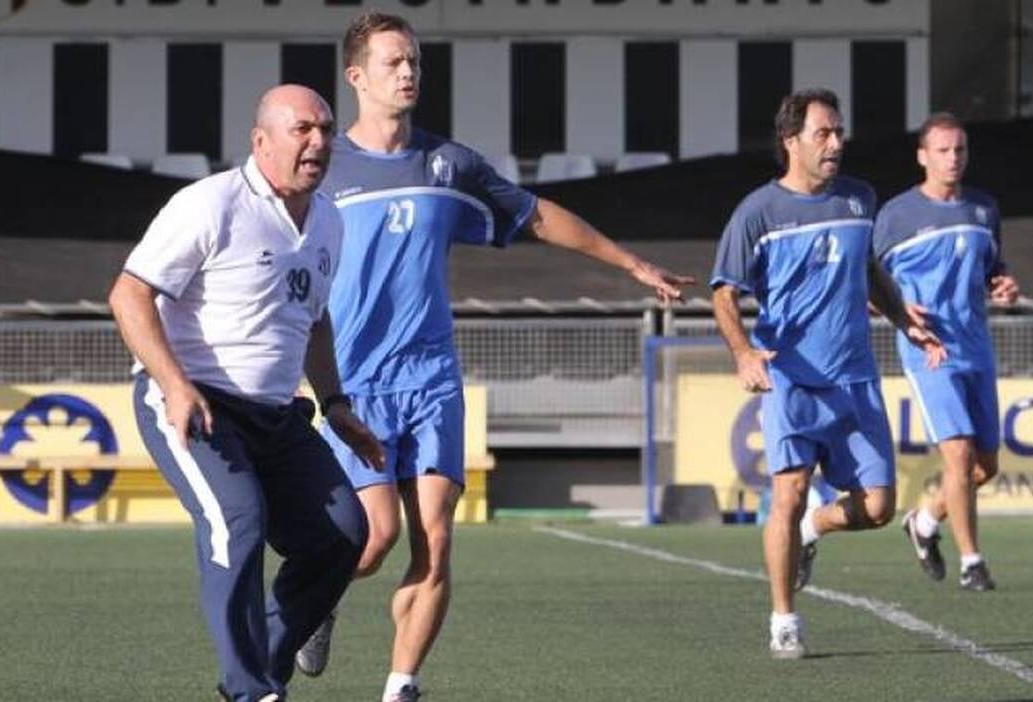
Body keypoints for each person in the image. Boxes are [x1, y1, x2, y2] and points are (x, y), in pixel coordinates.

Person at [296, 11, 695, 701]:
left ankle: (401, 684)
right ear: (357, 76)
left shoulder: (448, 163)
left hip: (433, 383)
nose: (409, 70)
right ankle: (315, 599)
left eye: (415, 59)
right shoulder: (323, 170)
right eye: (394, 61)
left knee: (437, 541)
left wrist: (629, 262)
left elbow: (537, 215)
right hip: (355, 387)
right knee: (371, 539)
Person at [108, 84, 386, 702]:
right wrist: (175, 385)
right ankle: (251, 690)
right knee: (239, 523)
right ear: (261, 142)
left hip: (278, 414)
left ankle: (262, 663)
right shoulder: (210, 204)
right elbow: (128, 295)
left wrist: (336, 405)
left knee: (343, 534)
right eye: (302, 130)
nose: (318, 142)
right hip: (196, 403)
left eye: (326, 129)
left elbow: (313, 319)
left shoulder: (330, 220)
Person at [710, 88, 945, 659]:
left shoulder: (861, 200)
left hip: (855, 379)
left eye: (839, 132)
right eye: (824, 132)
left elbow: (869, 272)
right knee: (785, 493)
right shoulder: (757, 212)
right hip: (790, 378)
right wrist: (743, 351)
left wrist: (903, 320)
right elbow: (723, 293)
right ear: (791, 141)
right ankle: (784, 618)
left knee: (880, 507)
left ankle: (816, 527)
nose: (836, 142)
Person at [873, 112, 1019, 592]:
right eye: (942, 150)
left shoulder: (984, 209)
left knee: (985, 468)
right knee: (957, 456)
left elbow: (993, 270)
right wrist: (893, 303)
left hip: (976, 348)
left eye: (959, 150)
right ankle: (972, 562)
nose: (952, 158)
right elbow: (863, 279)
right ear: (922, 157)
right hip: (929, 352)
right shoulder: (896, 215)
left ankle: (924, 521)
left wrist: (1004, 286)